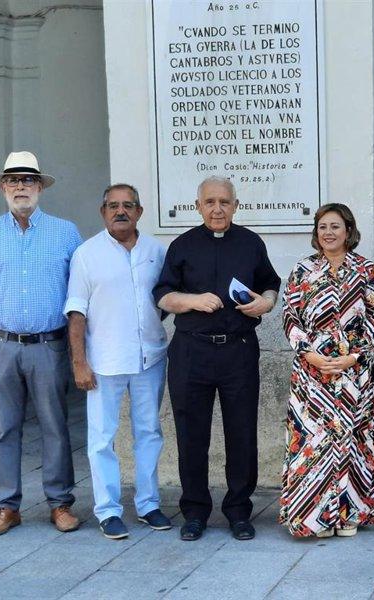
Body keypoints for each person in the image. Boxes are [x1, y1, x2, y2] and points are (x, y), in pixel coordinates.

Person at [153, 176, 281, 542]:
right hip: (191, 350)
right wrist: (192, 300)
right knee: (192, 435)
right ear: (198, 206)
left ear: (235, 205)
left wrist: (267, 302)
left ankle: (239, 511)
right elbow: (162, 294)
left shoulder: (251, 243)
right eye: (209, 202)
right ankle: (194, 512)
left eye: (224, 202)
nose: (217, 209)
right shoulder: (181, 245)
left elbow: (271, 283)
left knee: (241, 432)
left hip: (238, 349)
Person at [0, 151, 82, 536]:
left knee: (55, 425)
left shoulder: (65, 232)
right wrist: (4, 322)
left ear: (40, 187)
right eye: (13, 180)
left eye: (28, 180)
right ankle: (6, 507)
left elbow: (77, 290)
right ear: (3, 187)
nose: (21, 187)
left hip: (49, 345)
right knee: (4, 428)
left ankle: (60, 503)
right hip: (1, 346)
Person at [65, 183, 171, 540]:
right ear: (103, 211)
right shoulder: (86, 254)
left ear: (140, 211)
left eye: (128, 205)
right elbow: (76, 312)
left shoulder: (157, 250)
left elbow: (165, 299)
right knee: (101, 438)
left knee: (149, 433)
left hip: (150, 359)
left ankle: (148, 505)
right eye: (113, 206)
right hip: (104, 362)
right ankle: (108, 511)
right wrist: (79, 362)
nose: (120, 211)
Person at [280, 203, 374, 538]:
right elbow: (289, 315)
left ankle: (351, 514)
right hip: (311, 372)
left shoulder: (366, 270)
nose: (328, 232)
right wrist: (308, 353)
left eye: (335, 226)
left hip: (354, 373)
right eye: (323, 226)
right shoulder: (302, 269)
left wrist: (353, 356)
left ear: (349, 230)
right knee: (313, 443)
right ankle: (313, 518)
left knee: (355, 440)